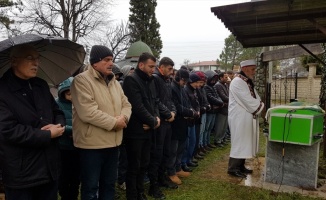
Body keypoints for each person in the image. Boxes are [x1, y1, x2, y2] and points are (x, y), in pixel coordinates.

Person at [0, 44, 65, 200]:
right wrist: (47, 135)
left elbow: (57, 111)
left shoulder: (40, 85)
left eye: (37, 58)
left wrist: (60, 125)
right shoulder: (2, 90)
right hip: (22, 173)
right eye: (30, 58)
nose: (36, 63)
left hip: (49, 168)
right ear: (13, 61)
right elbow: (8, 130)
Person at [71, 45, 132, 200]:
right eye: (106, 60)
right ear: (94, 63)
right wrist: (114, 123)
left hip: (113, 143)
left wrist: (124, 118)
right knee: (91, 187)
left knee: (109, 184)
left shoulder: (115, 83)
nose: (111, 63)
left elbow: (126, 104)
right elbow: (88, 112)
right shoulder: (81, 81)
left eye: (111, 59)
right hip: (92, 146)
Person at [122, 52, 161, 200]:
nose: (153, 69)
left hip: (149, 129)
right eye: (151, 66)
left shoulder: (150, 81)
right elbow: (137, 106)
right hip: (135, 131)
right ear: (141, 65)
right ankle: (132, 195)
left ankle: (140, 192)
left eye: (154, 67)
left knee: (144, 163)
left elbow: (155, 102)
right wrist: (153, 122)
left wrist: (155, 120)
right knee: (134, 166)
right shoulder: (131, 80)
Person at [227, 59, 264, 178]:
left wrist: (259, 102)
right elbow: (247, 100)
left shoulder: (246, 81)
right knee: (239, 142)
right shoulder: (237, 81)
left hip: (244, 116)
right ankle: (233, 168)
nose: (254, 72)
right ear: (244, 69)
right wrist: (259, 105)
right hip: (239, 117)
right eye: (252, 69)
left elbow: (255, 97)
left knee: (245, 141)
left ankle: (240, 166)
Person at [148, 57, 178, 197]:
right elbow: (156, 101)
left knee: (166, 152)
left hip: (168, 122)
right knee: (157, 154)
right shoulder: (155, 79)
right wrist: (167, 114)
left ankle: (162, 178)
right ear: (162, 67)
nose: (172, 72)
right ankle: (153, 186)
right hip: (160, 123)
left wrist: (173, 112)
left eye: (172, 69)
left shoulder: (167, 81)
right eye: (170, 69)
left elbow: (170, 100)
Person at [56, 77, 80, 200]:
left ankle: (74, 195)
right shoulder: (57, 104)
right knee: (64, 176)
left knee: (76, 176)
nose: (71, 96)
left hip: (78, 146)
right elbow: (57, 123)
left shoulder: (80, 104)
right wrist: (72, 130)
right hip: (63, 147)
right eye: (69, 93)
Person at [168, 69, 193, 185]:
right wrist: (189, 112)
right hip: (175, 124)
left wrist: (190, 112)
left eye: (186, 80)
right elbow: (176, 106)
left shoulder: (181, 89)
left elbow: (186, 103)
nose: (185, 82)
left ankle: (178, 169)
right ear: (178, 77)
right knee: (173, 150)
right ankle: (171, 172)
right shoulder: (172, 88)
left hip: (183, 122)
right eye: (183, 80)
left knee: (181, 148)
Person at [181, 73, 201, 171]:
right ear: (191, 82)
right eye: (196, 82)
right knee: (187, 143)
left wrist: (198, 110)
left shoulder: (194, 90)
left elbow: (197, 103)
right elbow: (187, 104)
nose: (198, 85)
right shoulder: (185, 90)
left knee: (192, 141)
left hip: (193, 119)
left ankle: (189, 159)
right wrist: (193, 111)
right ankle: (183, 162)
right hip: (188, 119)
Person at [203, 70, 223, 150]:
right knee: (206, 128)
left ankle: (207, 143)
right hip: (209, 111)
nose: (214, 81)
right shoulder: (206, 87)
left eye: (215, 80)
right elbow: (211, 98)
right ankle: (204, 144)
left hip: (214, 110)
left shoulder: (213, 87)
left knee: (210, 128)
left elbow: (217, 96)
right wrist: (220, 103)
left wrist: (219, 102)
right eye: (212, 79)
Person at [213, 72, 229, 147]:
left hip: (226, 108)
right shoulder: (218, 85)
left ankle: (222, 138)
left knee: (224, 126)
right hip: (222, 108)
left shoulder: (225, 85)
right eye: (225, 77)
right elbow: (223, 97)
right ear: (221, 78)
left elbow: (228, 95)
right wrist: (232, 99)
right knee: (220, 125)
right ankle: (218, 140)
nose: (227, 78)